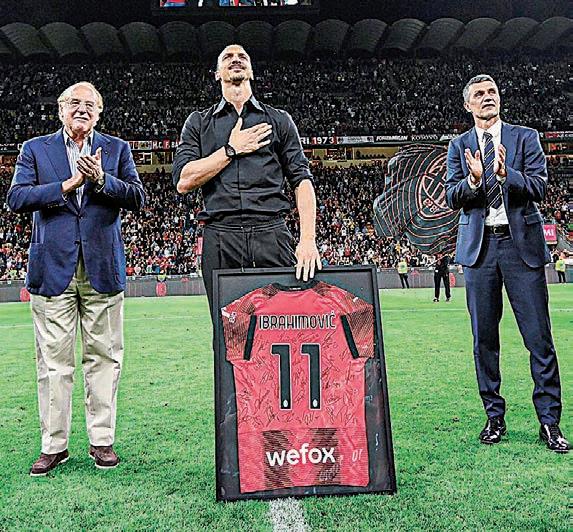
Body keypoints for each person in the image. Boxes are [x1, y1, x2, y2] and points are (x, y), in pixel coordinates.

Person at [7, 82, 146, 475]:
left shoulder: (117, 149)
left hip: (102, 267)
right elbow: (17, 198)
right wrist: (68, 185)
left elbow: (137, 197)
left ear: (99, 112)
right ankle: (54, 445)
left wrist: (101, 180)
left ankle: (102, 441)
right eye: (74, 103)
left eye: (89, 104)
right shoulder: (35, 149)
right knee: (54, 362)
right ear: (60, 109)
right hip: (53, 269)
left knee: (104, 357)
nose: (82, 109)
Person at [445, 74, 568, 453]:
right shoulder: (459, 145)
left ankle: (549, 422)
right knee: (484, 340)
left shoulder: (525, 137)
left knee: (539, 338)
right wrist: (474, 181)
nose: (487, 98)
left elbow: (539, 187)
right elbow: (452, 196)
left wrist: (505, 174)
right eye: (479, 94)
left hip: (521, 248)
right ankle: (494, 417)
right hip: (480, 251)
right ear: (467, 105)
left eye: (492, 92)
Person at [173, 44, 320, 315]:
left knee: (281, 324)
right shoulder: (198, 123)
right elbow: (183, 180)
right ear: (217, 73)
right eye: (227, 57)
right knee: (227, 330)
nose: (236, 59)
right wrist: (231, 149)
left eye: (242, 56)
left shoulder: (279, 120)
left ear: (251, 71)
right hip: (221, 237)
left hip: (271, 233)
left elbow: (302, 180)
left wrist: (308, 239)